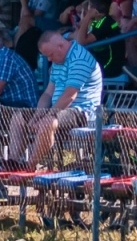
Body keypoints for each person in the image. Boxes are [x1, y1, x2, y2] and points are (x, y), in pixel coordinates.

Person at [9, 29, 105, 170]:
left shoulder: (80, 59)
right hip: (59, 110)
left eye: (50, 55)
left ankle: (28, 168)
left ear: (60, 46)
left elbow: (69, 95)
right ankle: (13, 163)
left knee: (48, 122)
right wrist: (37, 115)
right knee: (19, 118)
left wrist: (46, 116)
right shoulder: (58, 60)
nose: (49, 59)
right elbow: (48, 93)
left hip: (83, 113)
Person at [75, 0, 127, 78]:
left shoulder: (106, 23)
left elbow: (81, 41)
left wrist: (87, 18)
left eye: (89, 5)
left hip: (109, 67)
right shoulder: (98, 22)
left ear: (92, 8)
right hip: (102, 63)